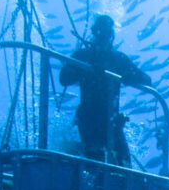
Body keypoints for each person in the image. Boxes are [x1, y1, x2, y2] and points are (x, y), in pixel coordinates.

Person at [58, 14, 153, 166]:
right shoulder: (84, 55)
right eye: (100, 33)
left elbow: (146, 80)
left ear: (111, 36)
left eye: (105, 34)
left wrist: (128, 75)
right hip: (88, 120)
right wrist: (86, 68)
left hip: (111, 122)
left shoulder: (117, 59)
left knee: (124, 167)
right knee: (95, 166)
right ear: (94, 33)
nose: (102, 38)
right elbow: (64, 78)